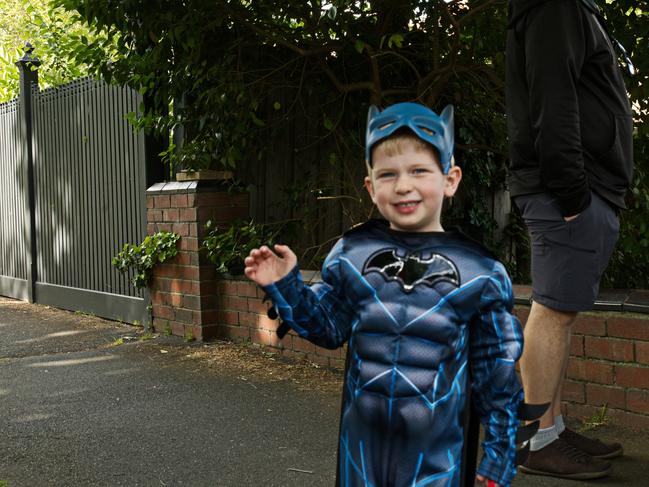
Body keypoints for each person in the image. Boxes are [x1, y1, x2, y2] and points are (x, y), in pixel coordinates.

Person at [244, 102, 526, 487]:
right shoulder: (351, 255)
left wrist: (499, 460)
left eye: (419, 171)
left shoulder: (481, 273)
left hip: (439, 460)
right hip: (361, 454)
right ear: (370, 186)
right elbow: (328, 328)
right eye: (388, 174)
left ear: (450, 179)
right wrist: (287, 285)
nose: (404, 185)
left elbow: (499, 377)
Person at [506, 0, 634, 480]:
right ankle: (536, 440)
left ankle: (552, 427)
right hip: (569, 191)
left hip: (578, 189)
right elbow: (552, 101)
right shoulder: (554, 6)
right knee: (553, 310)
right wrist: (572, 192)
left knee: (559, 307)